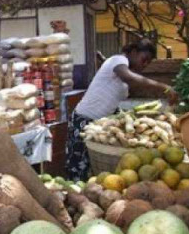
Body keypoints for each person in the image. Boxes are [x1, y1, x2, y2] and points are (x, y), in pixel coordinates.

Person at [66, 39, 178, 181]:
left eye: (148, 63)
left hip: (100, 125)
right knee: (79, 170)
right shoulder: (118, 60)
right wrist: (165, 88)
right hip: (83, 120)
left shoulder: (120, 67)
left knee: (96, 174)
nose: (144, 65)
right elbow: (129, 77)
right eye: (144, 59)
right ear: (133, 52)